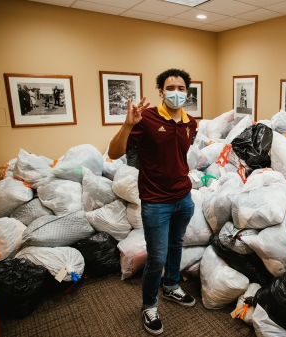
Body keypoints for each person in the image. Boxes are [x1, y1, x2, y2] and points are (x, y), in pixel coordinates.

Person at [108, 68, 197, 336]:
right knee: (156, 256)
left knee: (176, 246)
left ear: (187, 92)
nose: (177, 93)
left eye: (181, 89)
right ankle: (149, 305)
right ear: (161, 91)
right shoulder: (145, 119)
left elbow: (179, 159)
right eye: (171, 88)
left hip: (184, 198)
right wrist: (127, 124)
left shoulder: (190, 123)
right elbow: (114, 153)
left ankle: (171, 286)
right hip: (156, 202)